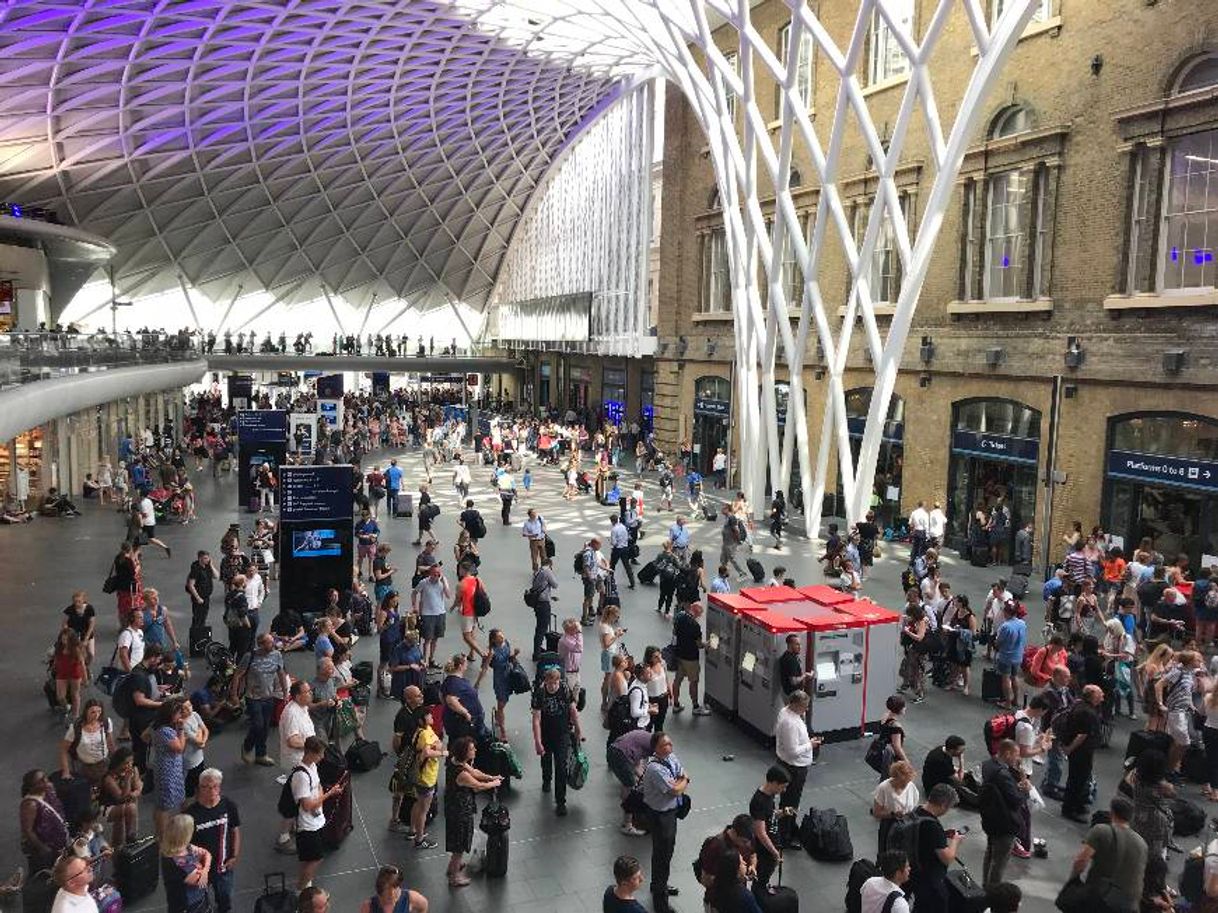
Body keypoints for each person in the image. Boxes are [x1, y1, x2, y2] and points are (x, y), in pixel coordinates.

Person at [444, 735, 503, 888]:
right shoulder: (461, 774)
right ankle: (454, 877)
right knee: (460, 845)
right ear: (464, 752)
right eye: (471, 749)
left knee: (457, 842)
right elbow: (477, 786)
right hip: (460, 812)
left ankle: (452, 867)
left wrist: (490, 777)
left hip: (454, 808)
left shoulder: (457, 762)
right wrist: (494, 783)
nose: (475, 750)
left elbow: (475, 772)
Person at [1070, 795, 1146, 913]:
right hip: (1130, 901)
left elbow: (1081, 860)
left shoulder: (1101, 831)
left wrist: (1073, 880)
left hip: (1103, 895)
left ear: (1112, 812)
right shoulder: (1142, 843)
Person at [641, 732, 688, 913]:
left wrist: (681, 780)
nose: (669, 747)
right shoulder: (654, 768)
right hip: (660, 816)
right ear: (656, 749)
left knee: (666, 853)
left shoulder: (671, 757)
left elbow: (681, 774)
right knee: (662, 855)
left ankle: (659, 884)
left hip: (670, 813)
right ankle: (660, 902)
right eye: (664, 745)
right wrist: (684, 781)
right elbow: (675, 790)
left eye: (669, 743)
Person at [291, 736, 344, 890]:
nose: (322, 757)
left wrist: (319, 801)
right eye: (320, 754)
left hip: (315, 820)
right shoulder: (300, 776)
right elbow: (307, 805)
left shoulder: (312, 767)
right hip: (307, 826)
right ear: (310, 753)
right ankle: (300, 889)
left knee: (309, 858)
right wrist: (330, 794)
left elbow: (318, 784)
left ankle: (306, 882)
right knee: (316, 859)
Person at [185, 769, 241, 913]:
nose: (212, 790)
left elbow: (235, 831)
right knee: (199, 904)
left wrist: (234, 856)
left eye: (215, 786)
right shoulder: (190, 815)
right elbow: (185, 845)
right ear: (199, 788)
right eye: (207, 787)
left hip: (223, 867)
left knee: (225, 900)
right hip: (200, 870)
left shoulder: (228, 806)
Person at [233, 633, 290, 767]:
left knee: (265, 727)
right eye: (269, 642)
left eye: (272, 642)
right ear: (261, 644)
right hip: (253, 697)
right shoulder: (250, 657)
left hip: (269, 696)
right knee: (258, 724)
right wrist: (234, 695)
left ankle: (261, 754)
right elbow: (237, 675)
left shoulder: (276, 655)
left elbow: (281, 673)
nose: (273, 644)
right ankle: (247, 746)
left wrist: (285, 691)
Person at [531, 665, 581, 816]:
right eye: (550, 683)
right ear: (545, 681)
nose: (553, 686)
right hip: (546, 734)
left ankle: (561, 801)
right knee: (546, 760)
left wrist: (578, 729)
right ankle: (546, 779)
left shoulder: (565, 690)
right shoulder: (540, 693)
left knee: (561, 765)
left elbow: (573, 710)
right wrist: (538, 741)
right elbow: (536, 720)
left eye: (556, 683)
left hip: (562, 734)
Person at [979, 739, 1029, 888]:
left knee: (990, 853)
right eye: (1016, 754)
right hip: (1004, 823)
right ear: (1007, 753)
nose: (1017, 758)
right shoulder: (1003, 774)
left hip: (990, 819)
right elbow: (1016, 800)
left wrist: (1014, 787)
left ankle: (985, 885)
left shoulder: (988, 765)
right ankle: (993, 891)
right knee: (999, 861)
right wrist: (1024, 791)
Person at [275, 680, 317, 854]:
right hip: (296, 763)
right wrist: (312, 745)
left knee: (298, 798)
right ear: (298, 696)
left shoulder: (302, 708)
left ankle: (293, 826)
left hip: (304, 761)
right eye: (307, 692)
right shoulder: (292, 713)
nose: (310, 694)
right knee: (293, 801)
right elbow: (292, 740)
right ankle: (283, 838)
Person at [774, 690, 819, 848]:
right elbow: (793, 751)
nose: (806, 710)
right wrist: (810, 745)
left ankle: (789, 828)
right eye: (804, 707)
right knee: (791, 802)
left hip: (790, 764)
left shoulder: (786, 712)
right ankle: (785, 836)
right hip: (794, 767)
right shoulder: (790, 723)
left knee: (790, 801)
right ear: (794, 704)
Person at [906, 783, 962, 909]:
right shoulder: (932, 827)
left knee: (920, 904)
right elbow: (947, 858)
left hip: (913, 869)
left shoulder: (917, 811)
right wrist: (955, 841)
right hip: (929, 878)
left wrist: (943, 834)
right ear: (943, 805)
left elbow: (924, 837)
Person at [1060, 684, 1105, 822]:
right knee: (1077, 779)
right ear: (1093, 696)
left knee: (1080, 778)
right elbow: (1082, 735)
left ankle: (1077, 803)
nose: (1102, 697)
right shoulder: (1088, 713)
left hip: (1082, 750)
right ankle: (1069, 808)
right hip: (1081, 752)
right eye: (1100, 694)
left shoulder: (1080, 705)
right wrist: (1070, 749)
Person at [748, 765, 789, 897]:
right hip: (765, 849)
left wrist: (782, 812)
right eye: (782, 786)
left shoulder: (769, 795)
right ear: (773, 783)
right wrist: (774, 853)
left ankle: (763, 886)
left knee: (767, 872)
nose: (783, 790)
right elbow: (760, 833)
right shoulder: (759, 801)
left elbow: (769, 815)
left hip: (772, 842)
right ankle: (759, 895)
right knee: (763, 873)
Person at [160, 813, 213, 913]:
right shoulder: (176, 863)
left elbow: (207, 854)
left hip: (199, 901)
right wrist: (205, 868)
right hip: (187, 906)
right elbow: (199, 880)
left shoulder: (187, 847)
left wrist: (204, 870)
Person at [20, 769, 70, 874]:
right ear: (32, 787)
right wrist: (43, 848)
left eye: (45, 777)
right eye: (41, 781)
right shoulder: (30, 805)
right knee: (42, 873)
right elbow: (27, 831)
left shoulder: (49, 789)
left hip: (59, 843)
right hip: (45, 848)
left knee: (59, 871)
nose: (46, 781)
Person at [671, 601, 711, 715]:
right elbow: (699, 645)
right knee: (693, 682)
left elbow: (675, 631)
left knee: (677, 680)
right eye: (700, 614)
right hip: (691, 658)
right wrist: (706, 644)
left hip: (679, 654)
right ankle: (695, 706)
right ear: (696, 612)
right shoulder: (695, 625)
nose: (700, 616)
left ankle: (676, 704)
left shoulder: (680, 616)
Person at [412, 562, 451, 669]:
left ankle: (431, 659)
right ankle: (425, 661)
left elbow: (448, 595)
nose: (437, 576)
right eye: (434, 574)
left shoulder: (442, 582)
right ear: (430, 574)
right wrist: (415, 606)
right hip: (428, 614)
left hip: (440, 613)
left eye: (439, 574)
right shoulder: (424, 583)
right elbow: (414, 593)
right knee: (428, 639)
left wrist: (445, 582)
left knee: (436, 639)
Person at [994, 601, 1027, 709]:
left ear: (1006, 612)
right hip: (1018, 655)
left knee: (1006, 679)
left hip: (1006, 656)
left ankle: (1007, 702)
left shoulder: (1006, 626)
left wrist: (995, 644)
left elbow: (999, 641)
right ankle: (1016, 700)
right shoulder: (1022, 623)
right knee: (1014, 677)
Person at [359, 865, 429, 913]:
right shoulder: (368, 906)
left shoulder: (410, 897)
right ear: (380, 890)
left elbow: (424, 905)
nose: (392, 894)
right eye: (387, 889)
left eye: (395, 888)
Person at [529, 556, 559, 659]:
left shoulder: (537, 572)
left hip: (537, 602)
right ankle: (537, 653)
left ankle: (537, 649)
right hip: (543, 603)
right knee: (542, 628)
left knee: (539, 628)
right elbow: (555, 584)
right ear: (550, 564)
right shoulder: (547, 571)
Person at [185, 551, 219, 630]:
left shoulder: (207, 567)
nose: (207, 560)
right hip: (199, 598)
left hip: (206, 597)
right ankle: (195, 635)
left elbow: (216, 576)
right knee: (197, 618)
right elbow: (191, 585)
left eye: (208, 558)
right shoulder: (195, 569)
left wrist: (211, 565)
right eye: (205, 558)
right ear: (200, 558)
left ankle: (201, 633)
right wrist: (198, 598)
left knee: (203, 617)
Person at [521, 508, 548, 573]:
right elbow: (524, 534)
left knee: (543, 556)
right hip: (533, 542)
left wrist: (544, 529)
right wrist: (531, 535)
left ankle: (544, 570)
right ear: (530, 515)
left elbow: (544, 525)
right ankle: (535, 571)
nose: (535, 515)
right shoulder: (527, 523)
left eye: (535, 513)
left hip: (542, 540)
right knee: (534, 557)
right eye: (533, 514)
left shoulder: (540, 518)